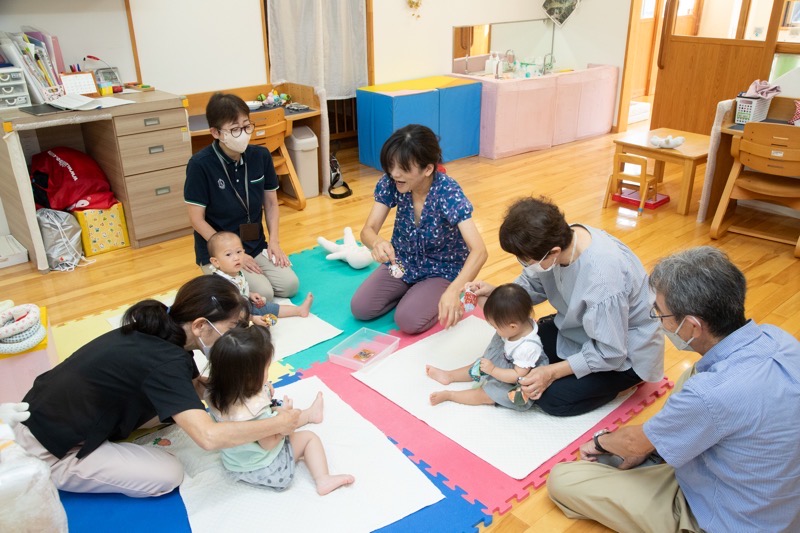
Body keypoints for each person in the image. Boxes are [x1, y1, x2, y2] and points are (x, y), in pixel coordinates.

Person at [547, 246, 800, 532]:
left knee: (563, 479)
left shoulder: (710, 394)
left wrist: (599, 442)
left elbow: (634, 443)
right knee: (693, 373)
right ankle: (669, 444)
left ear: (692, 326)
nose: (660, 321)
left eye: (661, 314)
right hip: (777, 502)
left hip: (725, 517)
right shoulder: (778, 338)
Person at [16, 275, 302, 498]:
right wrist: (279, 423)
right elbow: (209, 437)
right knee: (169, 473)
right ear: (202, 325)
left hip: (36, 410)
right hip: (49, 449)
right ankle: (45, 472)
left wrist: (244, 391)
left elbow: (193, 388)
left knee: (173, 410)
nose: (235, 338)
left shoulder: (160, 331)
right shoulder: (167, 362)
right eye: (231, 329)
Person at [470, 196, 663, 416]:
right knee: (517, 341)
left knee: (551, 399)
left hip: (624, 355)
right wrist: (497, 293)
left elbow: (611, 352)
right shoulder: (559, 240)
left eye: (526, 260)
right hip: (580, 329)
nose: (524, 265)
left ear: (552, 252)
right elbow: (531, 285)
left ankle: (622, 387)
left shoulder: (601, 280)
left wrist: (550, 373)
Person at [350, 124, 487, 334]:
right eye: (391, 165)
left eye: (404, 168)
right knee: (360, 308)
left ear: (428, 169)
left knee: (408, 320)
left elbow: (479, 251)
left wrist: (453, 290)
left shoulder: (447, 192)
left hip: (441, 270)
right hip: (402, 262)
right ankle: (413, 294)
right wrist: (377, 242)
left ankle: (426, 295)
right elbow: (368, 229)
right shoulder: (391, 182)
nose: (395, 174)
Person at [205, 326, 354, 495]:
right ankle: (323, 479)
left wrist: (268, 394)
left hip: (236, 462)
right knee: (309, 438)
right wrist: (281, 422)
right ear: (250, 377)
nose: (268, 373)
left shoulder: (212, 393)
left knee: (282, 412)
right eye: (266, 368)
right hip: (269, 469)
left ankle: (310, 414)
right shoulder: (257, 410)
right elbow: (269, 443)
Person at [184, 92, 299, 301]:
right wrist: (234, 254)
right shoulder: (200, 165)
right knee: (264, 294)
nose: (244, 134)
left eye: (247, 126)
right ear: (215, 132)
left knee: (290, 285)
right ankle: (217, 278)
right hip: (220, 253)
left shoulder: (260, 156)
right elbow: (196, 219)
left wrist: (274, 242)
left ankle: (246, 275)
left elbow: (271, 204)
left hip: (254, 244)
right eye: (235, 129)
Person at [426, 283, 547, 409]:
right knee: (478, 365)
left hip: (515, 378)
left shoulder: (527, 348)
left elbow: (516, 376)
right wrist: (477, 295)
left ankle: (450, 395)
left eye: (495, 327)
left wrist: (493, 370)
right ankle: (449, 375)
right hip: (505, 358)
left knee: (487, 395)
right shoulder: (516, 321)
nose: (494, 328)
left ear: (512, 326)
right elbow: (491, 310)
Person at [207, 231, 313, 327]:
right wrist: (252, 318)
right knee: (247, 328)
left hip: (245, 306)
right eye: (228, 254)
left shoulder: (235, 271)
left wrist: (250, 294)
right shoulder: (220, 283)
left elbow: (241, 288)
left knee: (270, 307)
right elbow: (230, 312)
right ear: (216, 262)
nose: (236, 257)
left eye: (239, 252)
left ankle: (299, 310)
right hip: (233, 315)